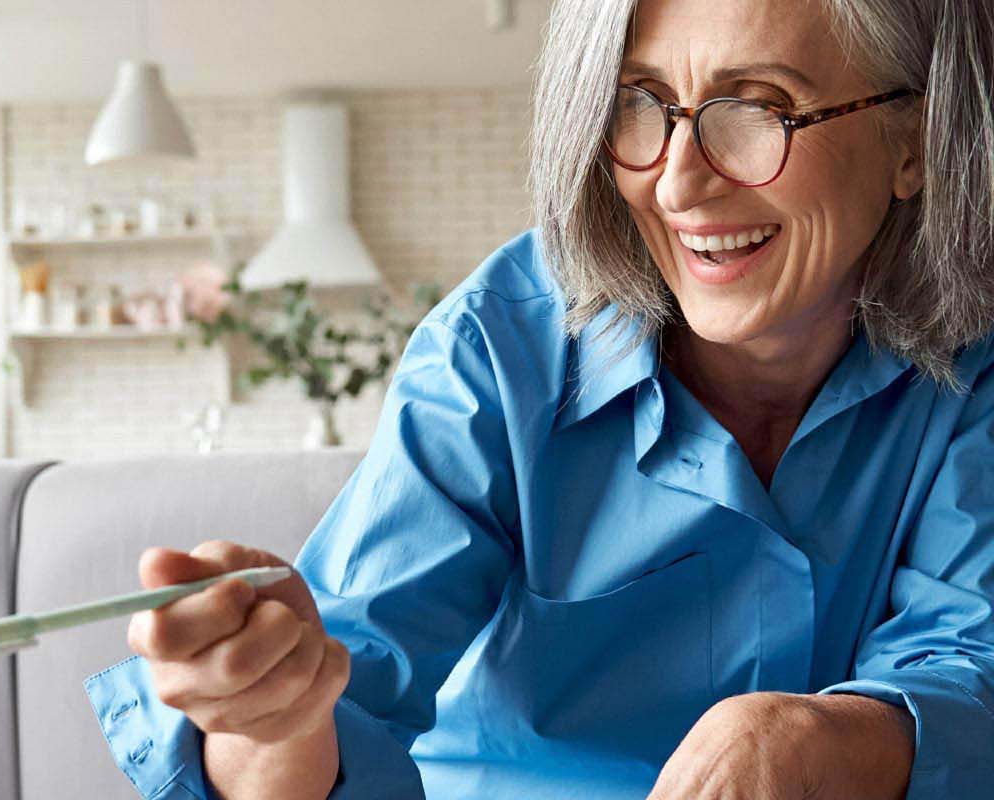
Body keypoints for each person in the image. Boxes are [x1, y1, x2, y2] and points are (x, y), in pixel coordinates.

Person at [84, 0, 994, 797]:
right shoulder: (495, 350)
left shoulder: (974, 364)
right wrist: (272, 714)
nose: (677, 183)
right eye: (639, 104)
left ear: (912, 141)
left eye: (759, 108)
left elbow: (970, 671)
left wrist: (815, 739)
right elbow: (339, 704)